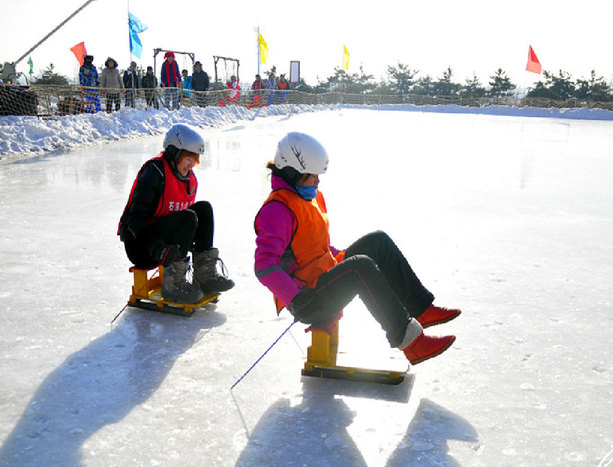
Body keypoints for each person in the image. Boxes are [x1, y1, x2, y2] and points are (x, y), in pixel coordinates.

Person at [254, 133, 460, 365]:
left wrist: (341, 256)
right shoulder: (277, 210)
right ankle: (412, 343)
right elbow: (264, 265)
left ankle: (422, 309)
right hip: (310, 299)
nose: (317, 181)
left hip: (324, 276)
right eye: (312, 176)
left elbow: (314, 244)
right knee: (359, 267)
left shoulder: (309, 198)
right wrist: (295, 299)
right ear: (293, 173)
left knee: (377, 242)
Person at [118, 124, 234, 303]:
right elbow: (135, 220)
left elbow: (183, 225)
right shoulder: (155, 172)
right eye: (189, 158)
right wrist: (157, 247)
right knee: (188, 216)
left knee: (203, 209)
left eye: (195, 159)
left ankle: (204, 274)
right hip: (141, 246)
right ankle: (173, 284)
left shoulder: (189, 179)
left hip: (165, 243)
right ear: (174, 152)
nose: (192, 164)